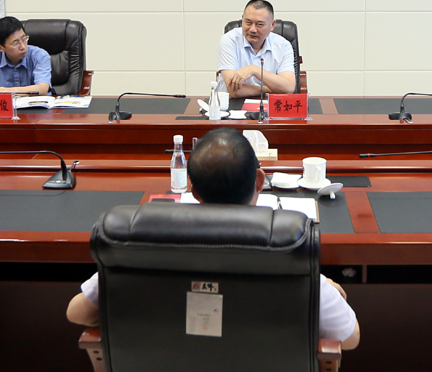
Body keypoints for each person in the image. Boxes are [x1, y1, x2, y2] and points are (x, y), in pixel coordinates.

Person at [66, 127, 359, 350]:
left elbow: (77, 312)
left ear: (193, 191)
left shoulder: (144, 239)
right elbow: (349, 338)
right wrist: (319, 284)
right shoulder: (290, 247)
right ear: (259, 181)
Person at [218, 0, 296, 98]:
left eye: (259, 24)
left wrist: (254, 70)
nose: (252, 29)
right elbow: (233, 91)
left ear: (272, 25)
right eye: (248, 22)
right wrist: (271, 89)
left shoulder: (283, 45)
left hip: (269, 104)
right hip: (233, 104)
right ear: (242, 19)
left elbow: (288, 88)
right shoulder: (230, 40)